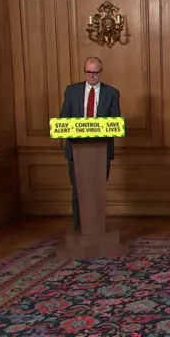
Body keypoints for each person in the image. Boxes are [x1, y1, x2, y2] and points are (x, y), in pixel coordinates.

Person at [59, 56, 121, 230]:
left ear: (100, 72)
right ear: (84, 72)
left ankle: (97, 227)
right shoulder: (71, 91)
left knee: (97, 190)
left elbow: (115, 122)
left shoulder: (112, 93)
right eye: (88, 72)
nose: (91, 76)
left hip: (101, 151)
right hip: (76, 150)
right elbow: (63, 119)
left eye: (95, 72)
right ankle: (80, 227)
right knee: (78, 190)